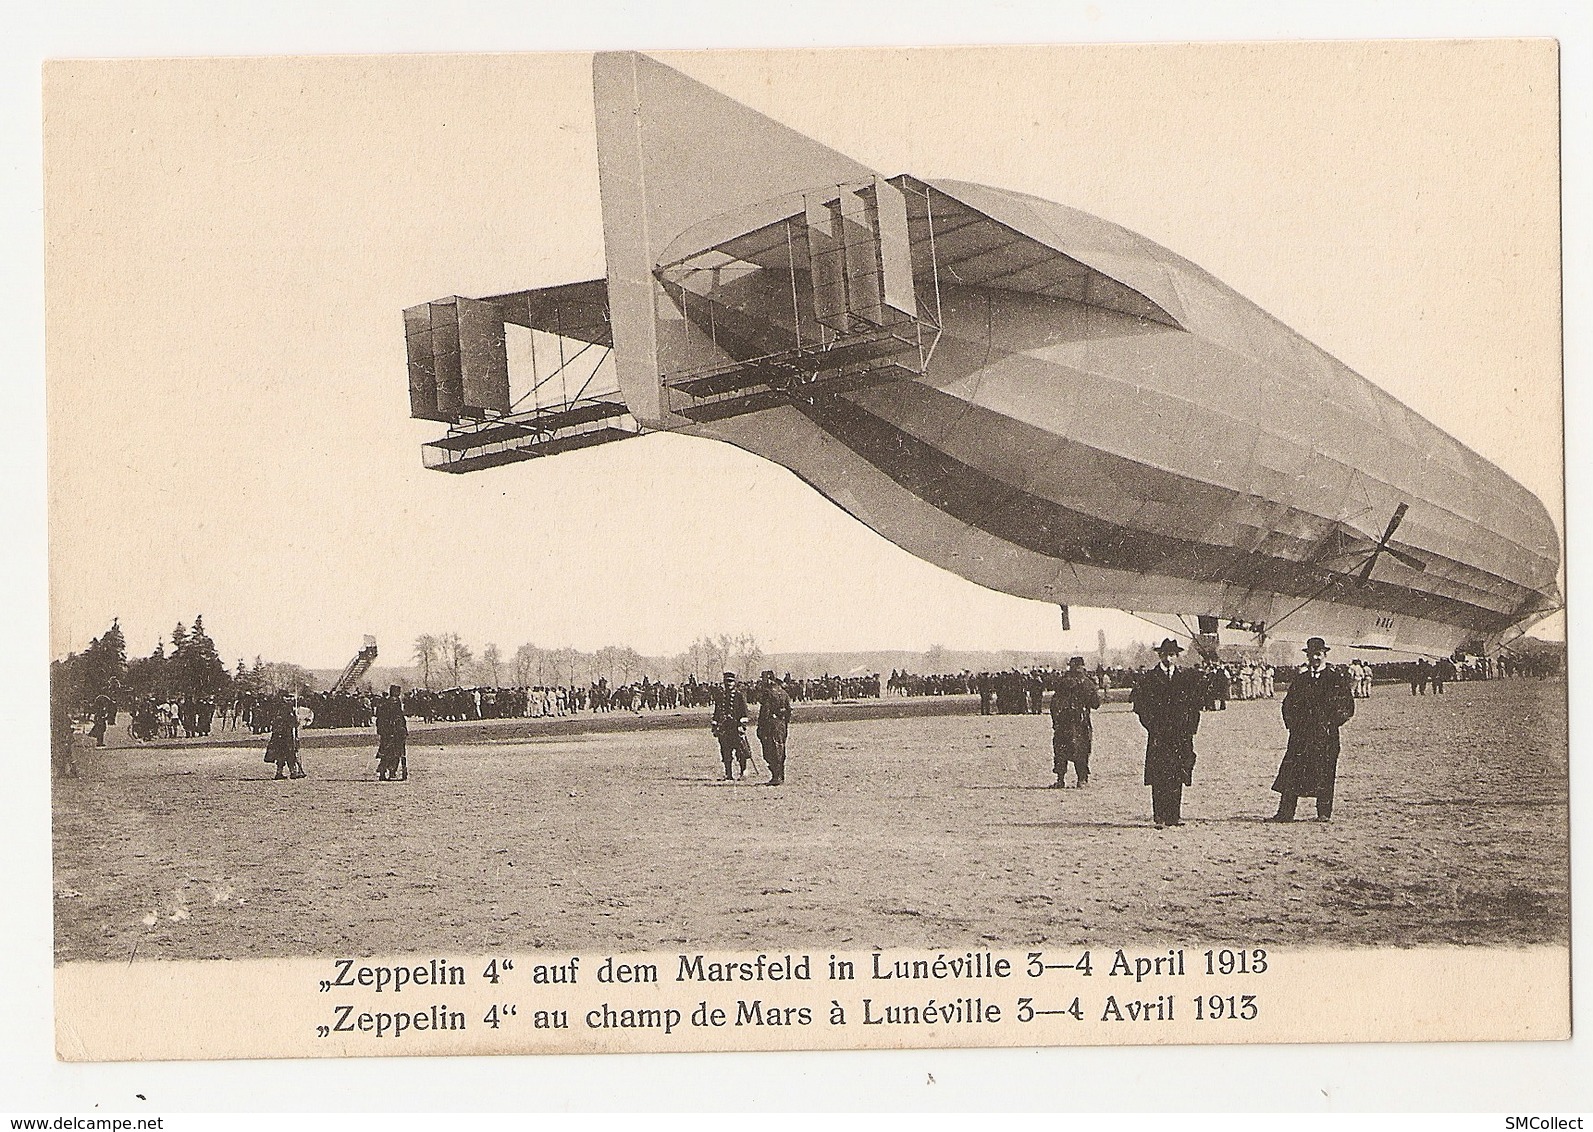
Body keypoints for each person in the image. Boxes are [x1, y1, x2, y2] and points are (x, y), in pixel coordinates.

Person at [1269, 637, 1355, 822]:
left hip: (1325, 736)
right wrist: (1293, 726)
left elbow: (1347, 706)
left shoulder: (1335, 678)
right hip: (1301, 737)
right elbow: (1288, 705)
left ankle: (1323, 813)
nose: (1315, 658)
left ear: (1324, 655)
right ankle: (1285, 813)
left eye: (1318, 655)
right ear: (1307, 657)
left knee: (1325, 773)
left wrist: (1330, 723)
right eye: (1311, 655)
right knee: (1292, 772)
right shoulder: (1301, 679)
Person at [1132, 638, 1202, 828]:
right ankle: (1160, 816)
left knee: (1177, 774)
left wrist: (1190, 729)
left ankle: (1174, 815)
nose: (1168, 658)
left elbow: (1194, 706)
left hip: (1180, 735)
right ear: (1160, 656)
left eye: (1172, 655)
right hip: (1159, 735)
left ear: (1177, 656)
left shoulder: (1186, 678)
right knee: (1159, 775)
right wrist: (1152, 726)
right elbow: (1140, 706)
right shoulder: (1149, 679)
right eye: (1165, 655)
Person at [1049, 656, 1101, 787]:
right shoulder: (1088, 683)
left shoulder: (1062, 682)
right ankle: (1082, 779)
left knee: (1061, 749)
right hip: (1081, 721)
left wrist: (1055, 720)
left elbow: (1054, 703)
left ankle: (1060, 780)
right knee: (1081, 749)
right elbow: (1096, 704)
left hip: (1063, 721)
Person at [710, 671, 752, 780]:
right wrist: (715, 726)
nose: (728, 684)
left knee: (741, 751)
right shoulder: (720, 696)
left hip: (736, 728)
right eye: (726, 682)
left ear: (734, 683)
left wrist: (742, 726)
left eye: (730, 682)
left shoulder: (739, 696)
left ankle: (743, 772)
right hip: (724, 728)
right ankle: (728, 774)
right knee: (725, 751)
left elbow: (744, 713)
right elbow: (716, 712)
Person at [755, 670, 793, 786]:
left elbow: (765, 712)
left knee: (770, 750)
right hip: (781, 725)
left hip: (770, 725)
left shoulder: (768, 693)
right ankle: (780, 775)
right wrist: (783, 723)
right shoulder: (783, 693)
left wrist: (760, 727)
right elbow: (788, 711)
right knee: (780, 749)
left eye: (764, 678)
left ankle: (775, 776)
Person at [266, 692, 305, 780]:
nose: (289, 699)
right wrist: (296, 721)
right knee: (289, 752)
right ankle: (293, 772)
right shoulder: (286, 707)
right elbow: (291, 721)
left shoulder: (277, 706)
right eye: (287, 697)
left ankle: (279, 772)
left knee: (281, 753)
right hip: (286, 734)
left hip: (278, 734)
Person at [374, 685, 408, 781]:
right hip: (395, 731)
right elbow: (398, 718)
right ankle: (392, 772)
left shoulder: (386, 703)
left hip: (387, 732)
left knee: (386, 752)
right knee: (396, 752)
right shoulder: (395, 702)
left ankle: (383, 772)